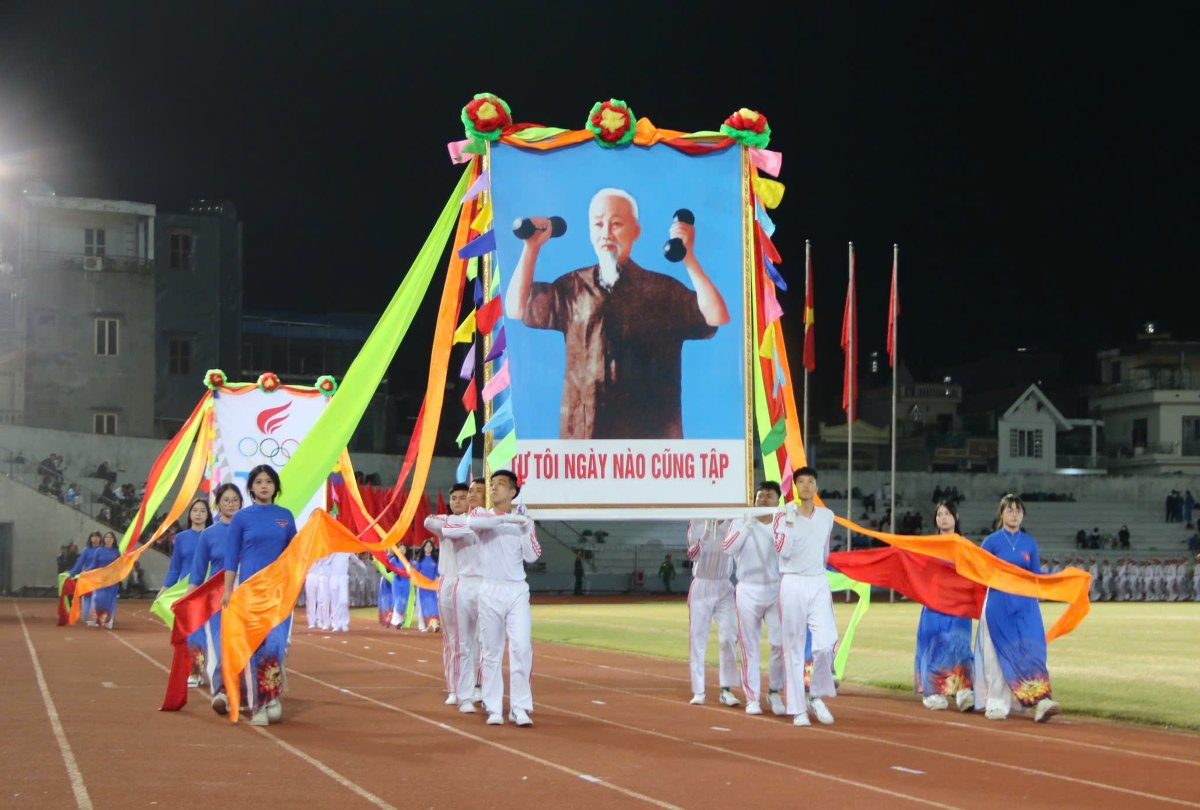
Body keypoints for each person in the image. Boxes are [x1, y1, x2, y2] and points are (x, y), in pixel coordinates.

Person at [504, 188, 730, 439]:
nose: (606, 234)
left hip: (651, 442)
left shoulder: (662, 290)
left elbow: (716, 316)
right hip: (584, 438)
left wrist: (689, 259)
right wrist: (531, 247)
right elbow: (516, 308)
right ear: (590, 232)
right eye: (598, 225)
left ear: (636, 231)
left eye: (617, 224)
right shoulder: (571, 287)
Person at [443, 469, 541, 727]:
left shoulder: (523, 521)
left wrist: (527, 526)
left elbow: (532, 556)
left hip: (517, 590)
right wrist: (509, 520)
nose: (494, 489)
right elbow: (479, 524)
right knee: (491, 651)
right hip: (490, 589)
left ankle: (520, 707)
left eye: (500, 485)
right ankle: (493, 705)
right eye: (492, 484)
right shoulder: (480, 514)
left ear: (513, 492)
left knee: (521, 647)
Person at [973, 494, 1060, 722]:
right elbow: (981, 573)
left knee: (1032, 651)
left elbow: (1036, 576)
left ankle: (1041, 700)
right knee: (997, 653)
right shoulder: (991, 542)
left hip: (1025, 605)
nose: (1014, 514)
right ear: (1001, 514)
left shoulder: (1029, 543)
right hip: (998, 605)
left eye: (1018, 510)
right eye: (1010, 510)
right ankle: (996, 702)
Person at [223, 464, 297, 726]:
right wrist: (227, 591)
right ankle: (259, 706)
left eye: (268, 481)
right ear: (251, 487)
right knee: (253, 648)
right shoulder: (242, 519)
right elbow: (231, 557)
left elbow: (293, 557)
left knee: (275, 646)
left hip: (278, 595)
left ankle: (272, 695)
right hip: (250, 594)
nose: (264, 486)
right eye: (258, 482)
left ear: (275, 486)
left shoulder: (286, 517)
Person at [772, 466, 838, 727]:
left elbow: (824, 550)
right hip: (792, 582)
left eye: (811, 482)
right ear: (795, 488)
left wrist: (819, 573)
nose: (806, 486)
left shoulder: (827, 516)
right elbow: (782, 551)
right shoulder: (783, 516)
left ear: (816, 487)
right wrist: (787, 522)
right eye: (801, 482)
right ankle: (797, 708)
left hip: (818, 581)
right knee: (794, 646)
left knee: (826, 643)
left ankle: (816, 695)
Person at [721, 481, 786, 716]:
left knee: (779, 643)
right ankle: (752, 698)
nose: (764, 500)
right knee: (750, 647)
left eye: (769, 496)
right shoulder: (741, 519)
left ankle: (775, 691)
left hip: (775, 588)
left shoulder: (782, 523)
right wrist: (747, 525)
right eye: (760, 496)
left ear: (777, 501)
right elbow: (727, 547)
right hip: (748, 589)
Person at [913, 500, 975, 712]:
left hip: (958, 606)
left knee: (961, 646)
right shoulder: (928, 545)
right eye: (940, 514)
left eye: (948, 514)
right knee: (934, 645)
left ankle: (964, 691)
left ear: (956, 517)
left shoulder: (965, 546)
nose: (944, 518)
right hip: (935, 604)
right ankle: (933, 692)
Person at [189, 483, 240, 715]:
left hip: (247, 594)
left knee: (243, 645)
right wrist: (189, 600)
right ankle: (220, 690)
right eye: (226, 499)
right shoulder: (209, 534)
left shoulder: (247, 529)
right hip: (217, 598)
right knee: (222, 645)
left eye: (235, 500)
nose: (230, 503)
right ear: (217, 503)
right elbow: (198, 572)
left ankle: (245, 691)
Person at [685, 518, 740, 708]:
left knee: (728, 638)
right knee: (698, 639)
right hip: (702, 584)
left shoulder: (733, 521)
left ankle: (726, 689)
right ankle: (699, 690)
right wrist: (706, 534)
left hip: (724, 585)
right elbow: (692, 555)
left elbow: (735, 548)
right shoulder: (697, 520)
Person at [425, 482, 470, 706]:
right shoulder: (445, 520)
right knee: (452, 639)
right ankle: (453, 688)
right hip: (449, 582)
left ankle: (473, 686)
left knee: (474, 639)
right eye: (454, 498)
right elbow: (428, 521)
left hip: (472, 583)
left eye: (463, 497)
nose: (458, 502)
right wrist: (459, 523)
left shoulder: (479, 522)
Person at [163, 498, 214, 686]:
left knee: (206, 630)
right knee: (190, 630)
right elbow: (174, 567)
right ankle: (195, 669)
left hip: (207, 589)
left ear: (208, 515)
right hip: (186, 591)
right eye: (195, 510)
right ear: (190, 514)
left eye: (202, 510)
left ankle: (202, 671)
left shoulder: (212, 535)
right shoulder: (181, 538)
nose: (199, 514)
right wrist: (165, 588)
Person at [89, 531, 122, 629]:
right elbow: (94, 565)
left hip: (112, 581)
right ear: (104, 539)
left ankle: (108, 620)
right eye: (107, 537)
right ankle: (98, 618)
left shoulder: (116, 552)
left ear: (113, 540)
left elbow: (119, 567)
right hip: (101, 580)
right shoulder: (98, 551)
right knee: (98, 599)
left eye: (111, 538)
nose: (108, 539)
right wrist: (86, 573)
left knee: (110, 601)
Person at [69, 531, 103, 626]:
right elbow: (79, 564)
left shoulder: (103, 550)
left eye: (97, 537)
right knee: (87, 598)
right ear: (90, 538)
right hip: (87, 577)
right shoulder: (86, 550)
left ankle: (94, 618)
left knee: (97, 598)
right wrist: (72, 573)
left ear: (100, 538)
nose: (95, 539)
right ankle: (87, 617)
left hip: (99, 578)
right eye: (93, 537)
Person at [415, 538, 440, 632]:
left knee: (434, 605)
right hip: (423, 587)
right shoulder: (420, 559)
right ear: (423, 548)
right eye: (426, 546)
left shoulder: (435, 559)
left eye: (430, 546)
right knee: (424, 605)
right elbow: (416, 572)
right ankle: (425, 624)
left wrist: (436, 583)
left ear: (432, 548)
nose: (428, 548)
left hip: (433, 587)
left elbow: (438, 573)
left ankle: (434, 624)